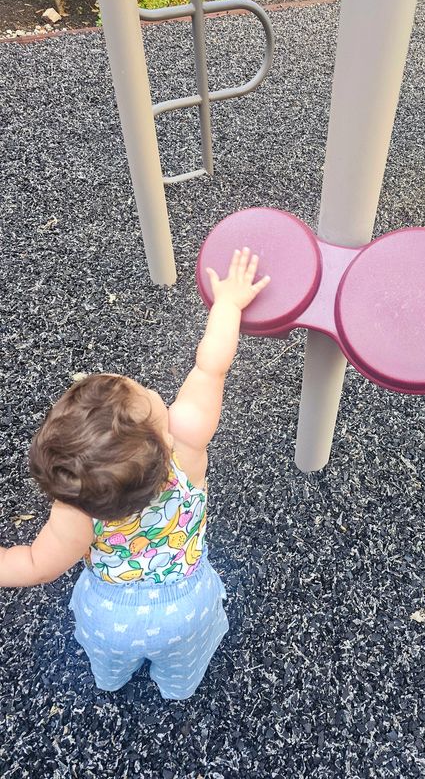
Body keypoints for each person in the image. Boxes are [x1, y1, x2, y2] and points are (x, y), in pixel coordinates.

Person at [0, 248, 270, 700]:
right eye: (146, 393)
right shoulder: (184, 448)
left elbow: (34, 565)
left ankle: (112, 678)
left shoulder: (77, 509)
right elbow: (211, 366)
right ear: (164, 434)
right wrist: (228, 305)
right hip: (186, 606)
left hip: (110, 613)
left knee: (108, 658)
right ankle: (177, 687)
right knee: (185, 660)